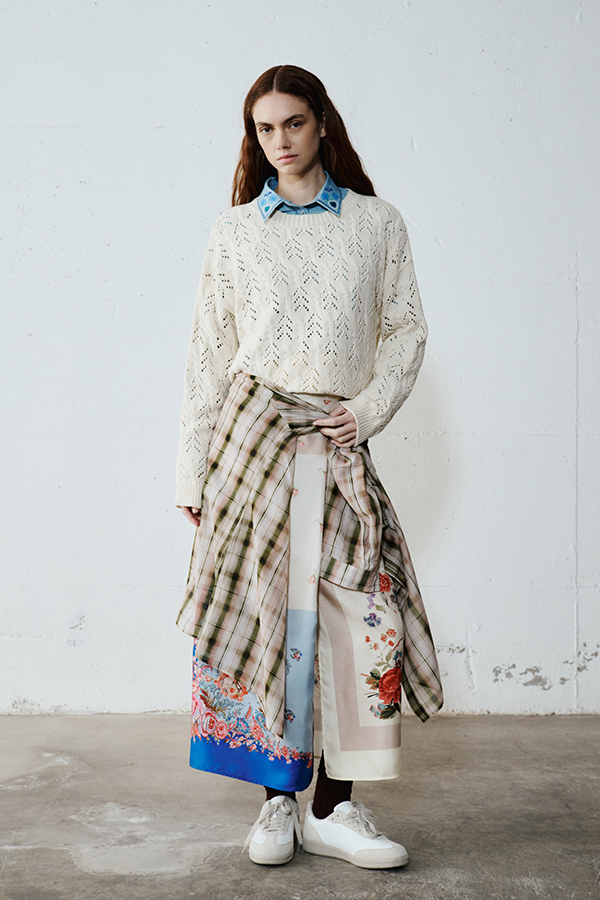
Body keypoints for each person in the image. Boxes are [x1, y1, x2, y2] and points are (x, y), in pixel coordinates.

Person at [175, 64, 443, 869]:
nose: (280, 141)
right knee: (272, 619)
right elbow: (208, 355)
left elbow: (406, 331)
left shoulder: (376, 223)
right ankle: (278, 802)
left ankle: (336, 805)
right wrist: (191, 472)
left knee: (360, 622)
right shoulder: (234, 232)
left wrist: (366, 411)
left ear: (322, 122)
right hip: (250, 447)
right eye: (265, 128)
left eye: (293, 123)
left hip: (336, 442)